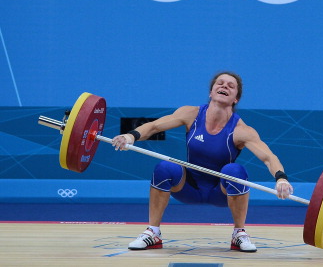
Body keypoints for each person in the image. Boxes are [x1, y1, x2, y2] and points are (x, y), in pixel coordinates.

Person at [112, 71, 293, 253]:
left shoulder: (242, 130)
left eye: (231, 86)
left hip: (220, 192)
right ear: (211, 92)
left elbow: (269, 157)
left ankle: (238, 233)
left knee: (235, 171)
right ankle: (153, 232)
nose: (224, 86)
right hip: (188, 188)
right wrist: (130, 136)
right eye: (220, 83)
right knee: (165, 168)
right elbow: (154, 126)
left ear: (236, 99)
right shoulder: (191, 114)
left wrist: (281, 179)